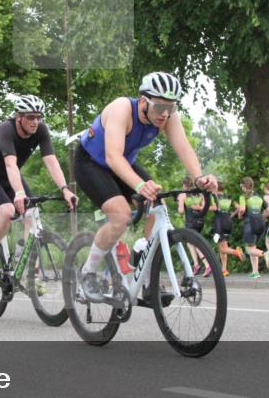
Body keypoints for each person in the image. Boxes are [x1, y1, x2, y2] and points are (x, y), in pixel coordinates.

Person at [73, 72, 217, 302]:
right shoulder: (122, 109)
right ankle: (87, 273)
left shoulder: (168, 115)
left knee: (158, 207)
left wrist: (199, 177)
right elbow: (112, 156)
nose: (165, 113)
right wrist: (139, 185)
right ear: (143, 101)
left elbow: (184, 148)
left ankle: (147, 276)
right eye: (159, 106)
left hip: (124, 163)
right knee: (121, 217)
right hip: (91, 162)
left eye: (171, 107)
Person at [0, 95, 77, 286]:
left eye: (39, 117)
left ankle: (27, 268)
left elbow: (51, 161)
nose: (35, 121)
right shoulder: (6, 129)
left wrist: (65, 189)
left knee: (32, 214)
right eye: (31, 117)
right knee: (6, 212)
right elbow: (11, 164)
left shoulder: (41, 130)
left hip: (12, 177)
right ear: (19, 117)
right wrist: (19, 193)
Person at [208, 181, 244, 276]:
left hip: (219, 222)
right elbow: (240, 208)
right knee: (224, 246)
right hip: (228, 221)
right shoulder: (228, 197)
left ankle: (236, 251)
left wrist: (203, 207)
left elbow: (214, 208)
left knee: (223, 248)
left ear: (216, 188)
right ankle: (224, 269)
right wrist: (234, 213)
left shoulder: (214, 196)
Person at [234, 177, 266, 279]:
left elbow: (242, 210)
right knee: (253, 247)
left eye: (241, 186)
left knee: (248, 249)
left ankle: (266, 254)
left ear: (244, 186)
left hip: (250, 223)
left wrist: (238, 208)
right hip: (260, 223)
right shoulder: (259, 196)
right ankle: (255, 272)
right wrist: (261, 216)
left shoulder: (243, 197)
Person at [177, 176, 209, 275]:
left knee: (194, 243)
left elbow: (181, 211)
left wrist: (179, 202)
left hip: (190, 222)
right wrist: (198, 207)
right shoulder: (199, 193)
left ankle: (207, 265)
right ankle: (196, 265)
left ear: (184, 184)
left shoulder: (183, 195)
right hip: (200, 221)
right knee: (190, 242)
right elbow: (204, 207)